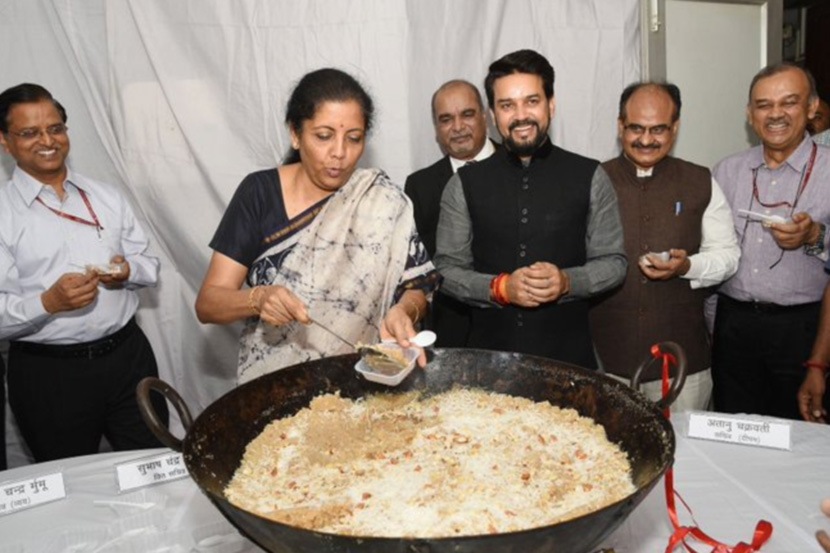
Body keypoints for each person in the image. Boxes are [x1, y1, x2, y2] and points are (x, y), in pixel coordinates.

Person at [195, 68, 439, 384]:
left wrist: (404, 312)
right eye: (323, 136)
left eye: (354, 138)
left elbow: (418, 287)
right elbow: (209, 303)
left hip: (366, 376)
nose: (339, 153)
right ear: (295, 134)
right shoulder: (259, 194)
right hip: (278, 381)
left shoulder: (380, 200)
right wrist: (257, 298)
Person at [0, 83, 168, 462]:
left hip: (128, 359)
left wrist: (127, 272)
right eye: (29, 133)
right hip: (49, 375)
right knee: (70, 484)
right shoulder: (3, 215)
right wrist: (48, 302)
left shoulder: (106, 196)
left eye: (55, 128)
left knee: (155, 466)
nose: (47, 140)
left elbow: (150, 265)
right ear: (5, 142)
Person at [434, 49, 627, 368]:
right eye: (507, 105)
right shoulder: (463, 184)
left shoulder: (590, 175)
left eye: (532, 101)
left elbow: (614, 262)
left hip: (571, 363)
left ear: (551, 105)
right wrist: (500, 288)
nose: (521, 115)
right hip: (488, 367)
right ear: (493, 115)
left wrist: (568, 281)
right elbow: (446, 270)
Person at [590, 82, 740, 411]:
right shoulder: (592, 180)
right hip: (605, 364)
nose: (646, 139)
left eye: (658, 129)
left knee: (685, 459)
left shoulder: (700, 180)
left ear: (675, 128)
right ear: (620, 127)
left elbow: (728, 257)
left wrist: (687, 267)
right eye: (636, 128)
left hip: (683, 365)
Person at [711, 63, 830, 420]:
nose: (775, 113)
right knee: (735, 435)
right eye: (763, 105)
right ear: (750, 115)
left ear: (811, 107)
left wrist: (814, 235)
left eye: (789, 102)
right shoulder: (726, 171)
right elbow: (715, 254)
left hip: (803, 331)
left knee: (802, 441)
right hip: (734, 326)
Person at [404, 80, 496, 347]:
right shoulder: (420, 185)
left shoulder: (521, 167)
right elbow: (418, 269)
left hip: (516, 327)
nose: (457, 127)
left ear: (485, 117)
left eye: (467, 114)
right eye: (446, 119)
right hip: (452, 333)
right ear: (436, 129)